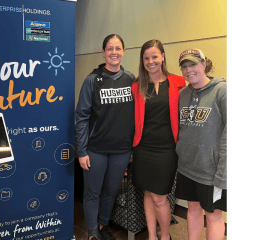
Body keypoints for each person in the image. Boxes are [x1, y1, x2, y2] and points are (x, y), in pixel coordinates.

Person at [75, 34, 135, 240]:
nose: (114, 52)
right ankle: (92, 233)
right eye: (110, 48)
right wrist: (81, 151)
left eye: (118, 48)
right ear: (103, 52)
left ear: (124, 52)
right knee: (93, 193)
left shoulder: (131, 80)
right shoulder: (92, 80)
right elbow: (81, 117)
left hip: (122, 149)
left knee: (111, 192)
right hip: (96, 149)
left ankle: (103, 226)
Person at [131, 39, 186, 240]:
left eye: (154, 56)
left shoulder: (179, 82)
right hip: (143, 148)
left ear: (162, 56)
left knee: (159, 196)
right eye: (146, 58)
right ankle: (152, 236)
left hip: (167, 149)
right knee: (148, 193)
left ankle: (165, 236)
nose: (150, 61)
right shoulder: (136, 86)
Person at [175, 49, 227, 240]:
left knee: (213, 215)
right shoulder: (184, 94)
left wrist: (223, 171)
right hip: (188, 167)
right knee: (193, 209)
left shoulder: (222, 91)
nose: (189, 70)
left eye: (193, 64)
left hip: (211, 171)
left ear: (204, 64)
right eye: (184, 66)